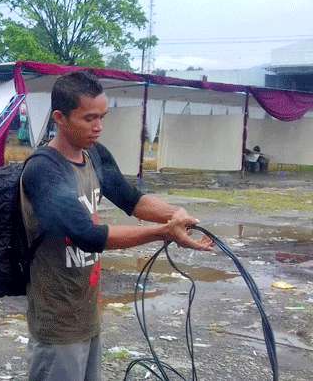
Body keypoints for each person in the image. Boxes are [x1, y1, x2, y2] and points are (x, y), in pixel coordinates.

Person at [20, 71, 213, 381]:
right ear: (60, 117)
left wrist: (176, 215)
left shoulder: (94, 154)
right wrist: (164, 232)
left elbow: (132, 200)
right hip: (55, 318)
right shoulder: (44, 169)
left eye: (102, 117)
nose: (98, 127)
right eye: (89, 118)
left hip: (87, 310)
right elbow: (88, 236)